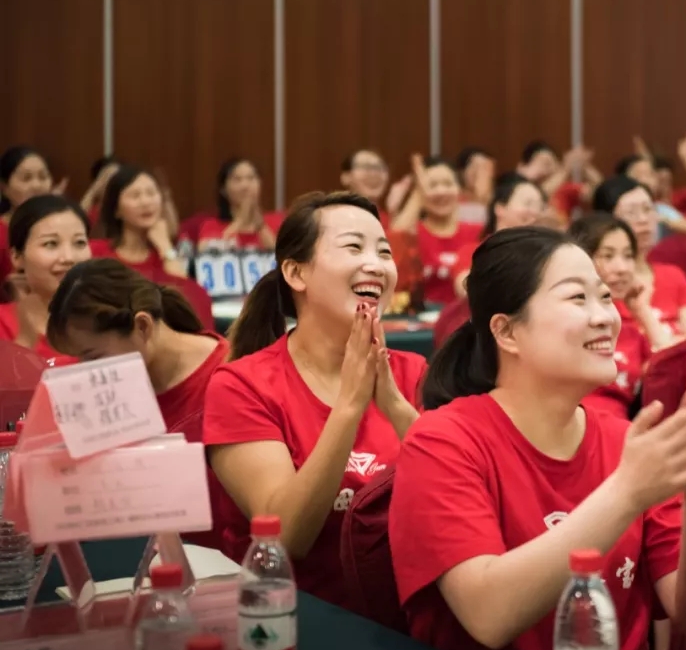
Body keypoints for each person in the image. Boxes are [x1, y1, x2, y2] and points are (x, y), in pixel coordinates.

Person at [389, 225, 686, 650]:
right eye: (577, 298)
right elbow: (489, 615)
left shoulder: (626, 442)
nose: (606, 317)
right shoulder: (444, 440)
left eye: (605, 297)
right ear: (506, 331)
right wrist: (627, 493)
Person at [203, 191, 425, 606]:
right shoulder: (241, 386)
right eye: (353, 247)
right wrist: (350, 406)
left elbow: (458, 499)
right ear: (295, 272)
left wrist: (395, 406)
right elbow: (283, 537)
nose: (376, 265)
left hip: (407, 619)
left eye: (384, 252)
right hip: (295, 619)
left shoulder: (414, 373)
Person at [46, 258, 228, 548]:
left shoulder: (232, 379)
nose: (86, 372)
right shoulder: (92, 382)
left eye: (93, 358)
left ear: (142, 327)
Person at [568, 215, 671, 418]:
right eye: (607, 256)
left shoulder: (629, 330)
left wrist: (642, 310)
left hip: (621, 430)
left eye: (628, 256)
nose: (622, 268)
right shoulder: (565, 322)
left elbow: (673, 369)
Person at [593, 176, 686, 342]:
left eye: (648, 209)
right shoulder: (607, 283)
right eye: (631, 213)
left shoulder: (672, 275)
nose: (643, 220)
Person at [0, 195, 90, 362]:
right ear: (17, 256)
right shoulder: (3, 323)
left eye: (79, 243)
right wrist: (25, 340)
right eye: (51, 244)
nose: (69, 257)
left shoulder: (110, 317)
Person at [390, 155, 483, 307]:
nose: (441, 191)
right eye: (431, 185)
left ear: (459, 189)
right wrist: (418, 193)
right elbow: (394, 247)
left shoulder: (478, 232)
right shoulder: (413, 233)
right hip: (419, 318)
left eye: (448, 184)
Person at [451, 175, 545, 298]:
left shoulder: (545, 255)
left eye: (540, 207)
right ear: (500, 208)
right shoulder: (474, 252)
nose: (535, 212)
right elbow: (466, 289)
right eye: (528, 204)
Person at [90, 165, 187, 280]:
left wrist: (165, 246)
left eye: (151, 193)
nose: (146, 202)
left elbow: (183, 287)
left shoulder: (165, 255)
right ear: (116, 210)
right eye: (135, 196)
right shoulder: (95, 252)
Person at [193, 158, 282, 252]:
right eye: (237, 179)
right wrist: (240, 221)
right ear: (223, 189)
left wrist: (261, 227)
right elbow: (206, 253)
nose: (245, 186)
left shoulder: (277, 221)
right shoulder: (211, 225)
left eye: (251, 178)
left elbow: (282, 255)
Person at [0, 146, 56, 292]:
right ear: (4, 187)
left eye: (43, 177)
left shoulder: (59, 226)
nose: (37, 186)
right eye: (26, 178)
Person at [340, 149, 391, 216]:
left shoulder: (392, 217)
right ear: (346, 176)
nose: (374, 174)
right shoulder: (336, 215)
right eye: (365, 167)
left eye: (379, 168)